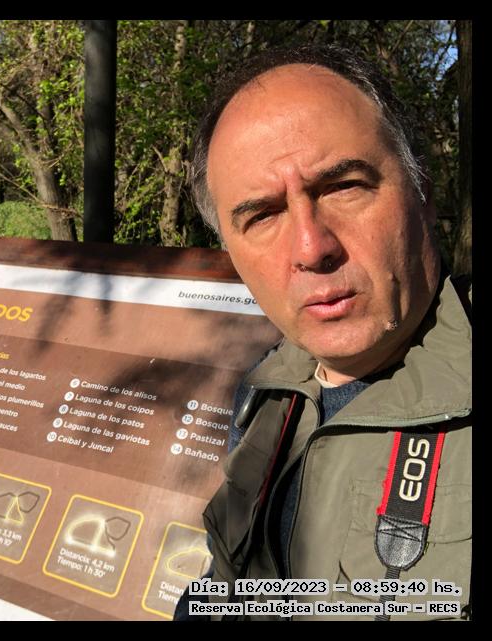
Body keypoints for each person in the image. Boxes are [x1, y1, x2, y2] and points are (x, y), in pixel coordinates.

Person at [173, 44, 471, 621]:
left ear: (424, 190)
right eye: (263, 215)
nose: (312, 248)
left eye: (344, 187)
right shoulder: (263, 394)